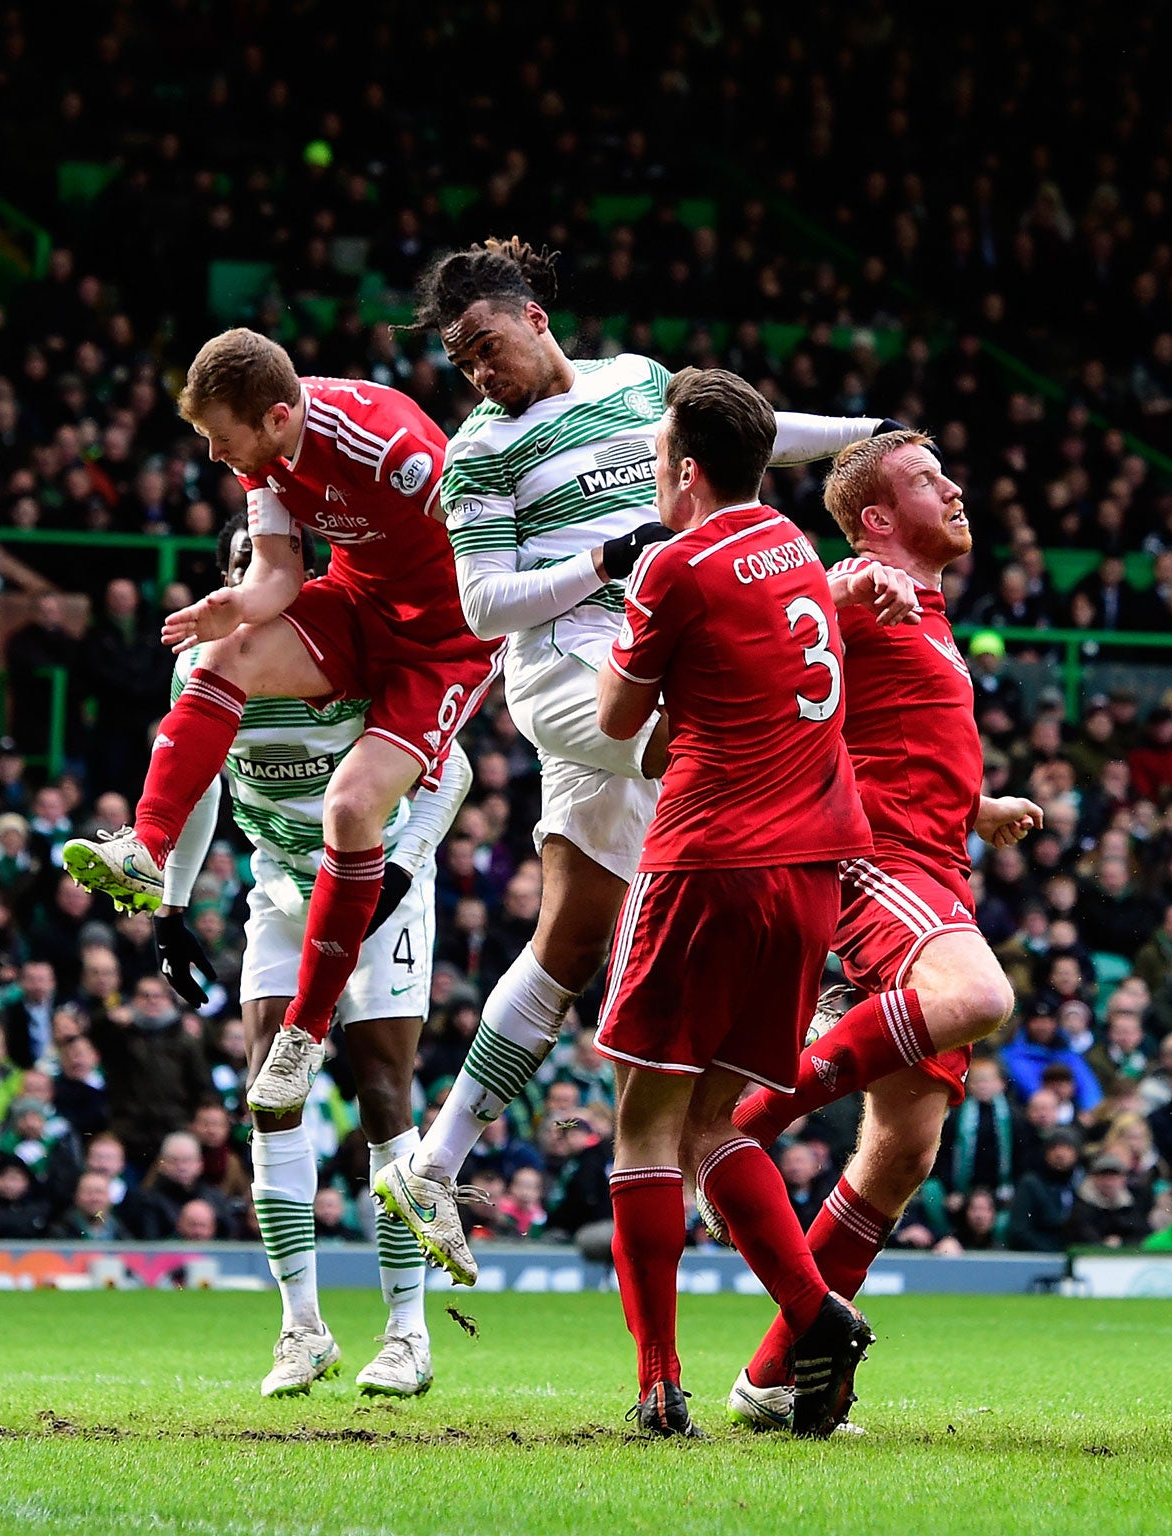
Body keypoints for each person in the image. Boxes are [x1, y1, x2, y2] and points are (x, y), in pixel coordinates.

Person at [374, 238, 898, 1284]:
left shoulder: (633, 385)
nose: (478, 371)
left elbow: (746, 439)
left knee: (568, 944)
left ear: (533, 318)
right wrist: (604, 561)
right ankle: (816, 986)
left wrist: (866, 439)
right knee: (722, 748)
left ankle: (432, 1162)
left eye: (485, 345)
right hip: (573, 681)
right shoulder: (480, 450)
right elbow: (482, 606)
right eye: (459, 359)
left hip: (644, 660)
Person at [64, 330, 499, 1117]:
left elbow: (488, 535)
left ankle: (306, 1030)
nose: (211, 455)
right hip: (360, 605)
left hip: (446, 643)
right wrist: (231, 608)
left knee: (354, 807)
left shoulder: (388, 447)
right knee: (223, 658)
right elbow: (275, 574)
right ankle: (144, 848)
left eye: (217, 438)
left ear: (272, 415)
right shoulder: (260, 455)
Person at [589, 368, 898, 1437]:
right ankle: (815, 1321)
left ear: (680, 467)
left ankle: (658, 1386)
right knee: (712, 1122)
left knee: (643, 1120)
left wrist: (631, 608)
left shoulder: (672, 566)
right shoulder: (802, 556)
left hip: (707, 862)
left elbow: (618, 719)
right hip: (807, 873)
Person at [716, 429, 1042, 1432]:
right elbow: (771, 632)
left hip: (934, 856)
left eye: (948, 471)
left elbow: (882, 729)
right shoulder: (852, 584)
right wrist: (838, 586)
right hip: (876, 861)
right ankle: (734, 1135)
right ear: (872, 518)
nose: (952, 486)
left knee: (903, 1144)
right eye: (923, 479)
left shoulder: (930, 615)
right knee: (980, 999)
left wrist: (976, 805)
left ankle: (774, 1374)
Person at [156, 515, 469, 1398]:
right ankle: (302, 1329)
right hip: (283, 890)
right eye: (237, 571)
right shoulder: (201, 670)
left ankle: (408, 1333)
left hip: (380, 880)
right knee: (267, 1091)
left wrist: (404, 869)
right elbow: (201, 787)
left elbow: (452, 769)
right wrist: (174, 909)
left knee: (379, 1091)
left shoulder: (356, 654)